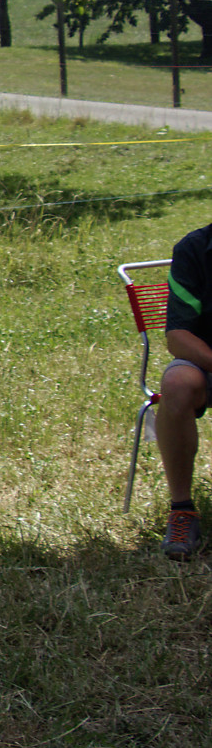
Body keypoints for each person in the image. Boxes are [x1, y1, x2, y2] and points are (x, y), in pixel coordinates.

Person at [154, 221, 212, 558]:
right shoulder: (194, 249)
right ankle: (182, 511)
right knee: (176, 383)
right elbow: (178, 337)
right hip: (208, 363)